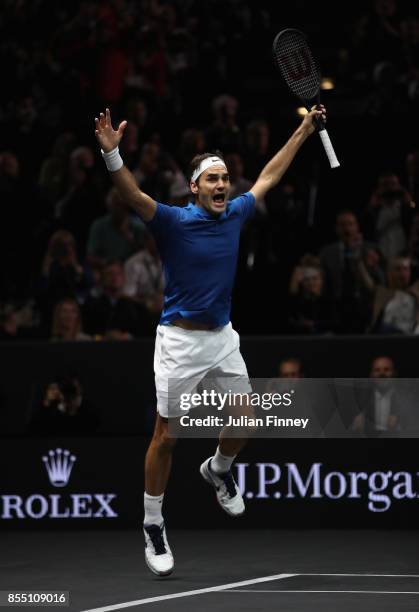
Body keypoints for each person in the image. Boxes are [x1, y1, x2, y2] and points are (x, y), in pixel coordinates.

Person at [94, 104, 326, 576]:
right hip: (178, 342)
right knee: (166, 436)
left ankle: (218, 470)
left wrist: (303, 129)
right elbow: (135, 196)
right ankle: (153, 524)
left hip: (222, 337)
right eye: (212, 179)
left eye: (225, 178)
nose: (223, 185)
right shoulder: (173, 222)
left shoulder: (237, 213)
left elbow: (268, 176)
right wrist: (112, 157)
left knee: (247, 419)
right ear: (194, 187)